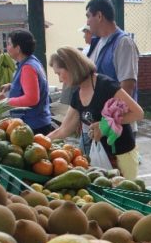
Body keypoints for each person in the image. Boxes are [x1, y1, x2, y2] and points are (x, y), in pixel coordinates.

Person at [47, 46, 143, 180]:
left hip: (122, 156)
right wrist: (40, 142)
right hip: (100, 158)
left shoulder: (106, 85)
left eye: (59, 73)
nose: (60, 80)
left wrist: (106, 124)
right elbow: (64, 130)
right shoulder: (77, 95)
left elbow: (138, 113)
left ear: (71, 67)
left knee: (123, 191)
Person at [85, 0, 139, 137]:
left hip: (116, 128)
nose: (87, 22)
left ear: (99, 16)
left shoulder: (123, 43)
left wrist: (106, 124)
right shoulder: (97, 42)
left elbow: (127, 87)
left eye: (88, 16)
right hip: (97, 124)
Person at [0, 29, 52, 135]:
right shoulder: (32, 62)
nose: (7, 47)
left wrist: (6, 101)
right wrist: (12, 86)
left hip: (33, 126)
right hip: (37, 123)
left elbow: (32, 99)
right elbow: (32, 85)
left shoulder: (28, 67)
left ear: (18, 48)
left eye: (9, 44)